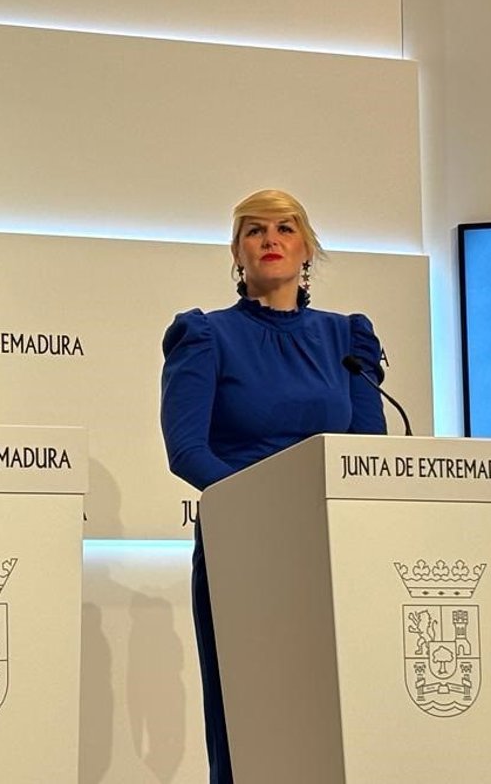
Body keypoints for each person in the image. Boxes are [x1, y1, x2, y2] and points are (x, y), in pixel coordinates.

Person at [159, 188, 385, 783]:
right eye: (255, 230)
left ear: (307, 247)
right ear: (237, 252)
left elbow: (367, 449)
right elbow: (187, 450)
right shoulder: (205, 335)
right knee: (250, 713)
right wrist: (269, 508)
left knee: (333, 716)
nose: (271, 240)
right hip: (246, 547)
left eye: (285, 228)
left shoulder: (347, 339)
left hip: (330, 548)